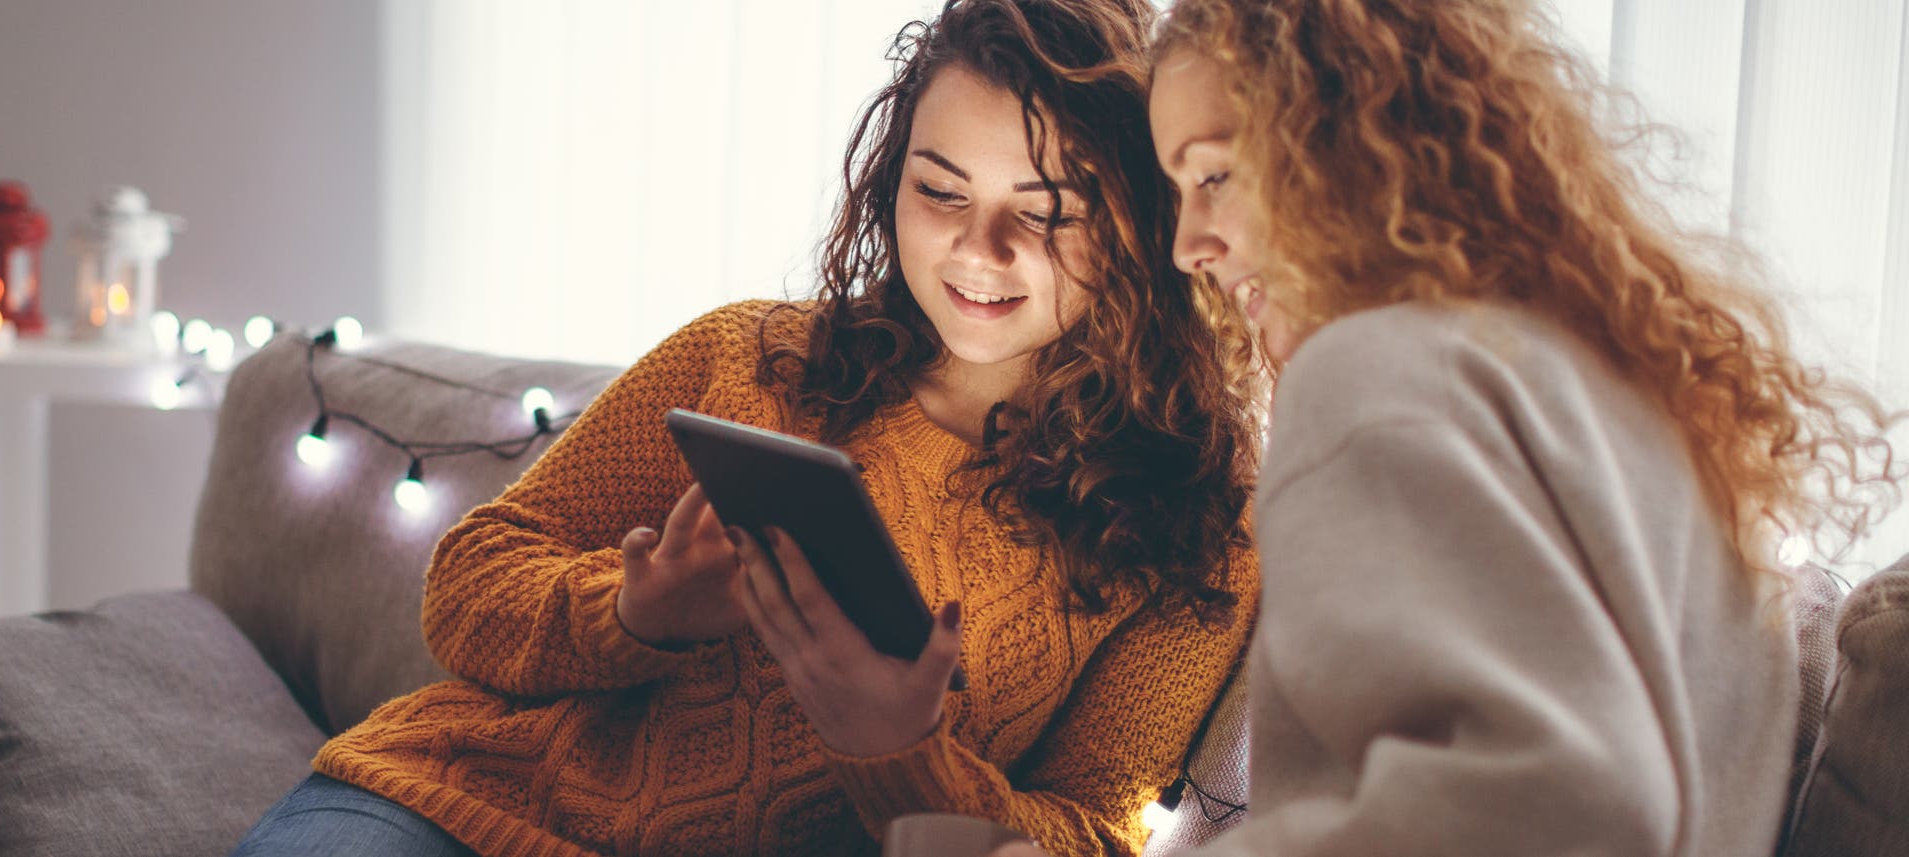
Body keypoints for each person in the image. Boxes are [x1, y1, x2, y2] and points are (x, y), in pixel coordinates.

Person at [230, 1, 1263, 856]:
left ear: (1138, 217)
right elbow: (466, 584)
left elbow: (1087, 831)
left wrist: (897, 749)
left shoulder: (1194, 527)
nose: (974, 249)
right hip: (446, 804)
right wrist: (631, 610)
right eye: (937, 190)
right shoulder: (756, 359)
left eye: (1044, 213)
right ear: (887, 179)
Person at [998, 0, 1903, 856]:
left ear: (1345, 145)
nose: (1187, 242)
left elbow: (1561, 802)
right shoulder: (1633, 401)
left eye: (1215, 176)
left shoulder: (1367, 376)